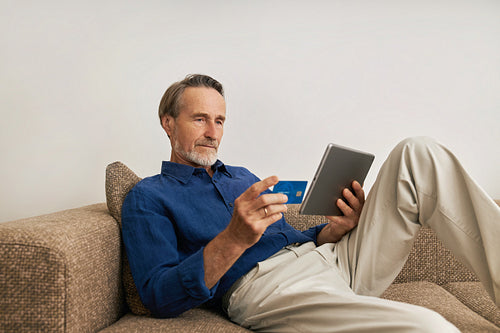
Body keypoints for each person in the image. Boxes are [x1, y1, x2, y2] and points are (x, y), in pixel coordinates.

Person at [121, 74, 500, 332]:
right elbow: (159, 295)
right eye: (199, 119)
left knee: (418, 153)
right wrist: (233, 239)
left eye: (219, 120)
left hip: (334, 260)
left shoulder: (241, 176)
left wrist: (331, 231)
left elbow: (286, 235)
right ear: (168, 123)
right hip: (268, 289)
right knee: (431, 327)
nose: (212, 132)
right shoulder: (148, 196)